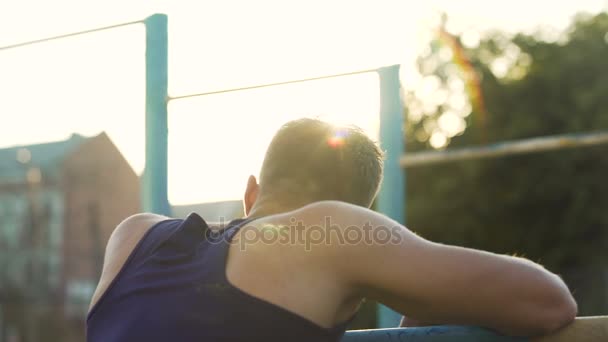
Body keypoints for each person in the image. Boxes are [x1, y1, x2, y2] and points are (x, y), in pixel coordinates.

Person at [86, 118, 577, 341]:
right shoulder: (337, 229)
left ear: (251, 191)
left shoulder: (133, 236)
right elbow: (548, 302)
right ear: (359, 209)